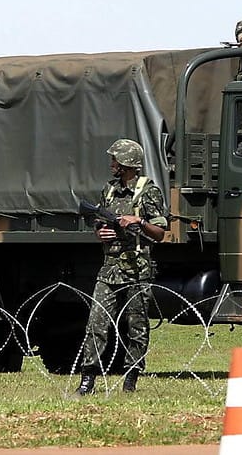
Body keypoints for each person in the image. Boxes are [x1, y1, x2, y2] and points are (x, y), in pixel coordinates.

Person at [76, 139, 167, 395]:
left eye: (115, 160)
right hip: (109, 268)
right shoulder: (109, 189)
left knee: (136, 326)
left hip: (136, 269)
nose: (112, 164)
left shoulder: (148, 191)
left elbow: (159, 232)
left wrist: (138, 221)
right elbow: (99, 222)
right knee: (96, 324)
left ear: (126, 163)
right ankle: (87, 379)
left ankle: (131, 379)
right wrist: (100, 233)